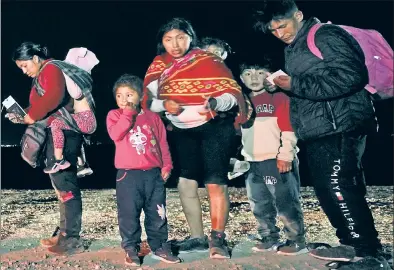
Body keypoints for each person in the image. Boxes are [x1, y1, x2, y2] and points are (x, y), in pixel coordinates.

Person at [253, 1, 389, 268]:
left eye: (283, 25)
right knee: (327, 188)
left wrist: (295, 83)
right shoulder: (296, 47)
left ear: (298, 15)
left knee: (340, 186)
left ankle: (369, 252)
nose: (280, 33)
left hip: (341, 124)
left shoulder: (325, 35)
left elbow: (352, 76)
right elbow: (313, 86)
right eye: (274, 30)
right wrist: (283, 87)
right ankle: (351, 244)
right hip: (319, 128)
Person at [143, 17, 251, 258]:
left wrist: (215, 101)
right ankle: (197, 238)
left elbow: (232, 94)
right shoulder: (158, 65)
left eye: (181, 37)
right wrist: (164, 104)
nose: (175, 44)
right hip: (181, 131)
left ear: (191, 38)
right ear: (162, 42)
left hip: (215, 126)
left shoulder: (208, 60)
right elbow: (147, 102)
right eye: (168, 39)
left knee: (215, 181)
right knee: (185, 183)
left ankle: (218, 239)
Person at [9, 42, 85, 255]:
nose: (24, 71)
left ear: (35, 58)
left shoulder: (51, 68)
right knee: (60, 186)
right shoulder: (42, 74)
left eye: (24, 66)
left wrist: (30, 116)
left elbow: (54, 97)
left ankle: (72, 239)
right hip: (55, 132)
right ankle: (63, 233)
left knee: (66, 185)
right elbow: (42, 105)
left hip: (64, 132)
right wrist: (23, 115)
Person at [106, 74, 181, 266]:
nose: (124, 100)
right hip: (128, 174)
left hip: (153, 174)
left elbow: (163, 143)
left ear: (140, 96)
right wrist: (127, 114)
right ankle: (131, 247)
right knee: (129, 213)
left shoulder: (153, 117)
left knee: (157, 212)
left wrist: (167, 165)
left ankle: (160, 246)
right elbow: (116, 134)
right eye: (119, 96)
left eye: (129, 95)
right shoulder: (114, 115)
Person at [239, 60, 306, 255]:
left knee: (285, 201)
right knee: (259, 203)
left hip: (277, 160)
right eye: (248, 73)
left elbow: (288, 128)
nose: (254, 78)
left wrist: (285, 155)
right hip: (252, 162)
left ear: (270, 75)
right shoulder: (241, 102)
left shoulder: (279, 98)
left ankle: (296, 239)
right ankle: (269, 237)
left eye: (260, 73)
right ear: (242, 78)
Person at [200, 37, 251, 180]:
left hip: (222, 117)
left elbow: (235, 95)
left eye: (219, 54)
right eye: (212, 52)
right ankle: (228, 163)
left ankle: (230, 162)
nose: (215, 57)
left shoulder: (224, 74)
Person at [43, 48, 99, 174]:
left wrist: (65, 72)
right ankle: (82, 164)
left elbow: (76, 93)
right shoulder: (86, 78)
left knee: (56, 124)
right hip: (87, 119)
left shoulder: (80, 82)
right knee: (73, 133)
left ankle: (59, 160)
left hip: (86, 118)